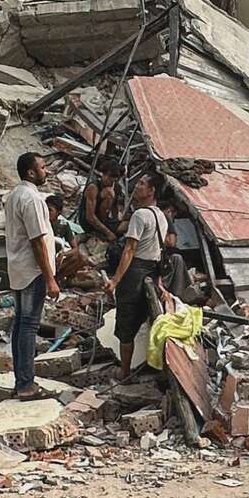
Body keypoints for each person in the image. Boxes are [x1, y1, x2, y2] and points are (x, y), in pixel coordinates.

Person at [2, 152, 59, 400]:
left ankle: (21, 381)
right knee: (28, 326)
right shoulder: (32, 199)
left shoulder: (15, 195)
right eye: (43, 167)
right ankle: (26, 385)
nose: (47, 171)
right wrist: (50, 278)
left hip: (19, 268)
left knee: (20, 325)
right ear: (31, 172)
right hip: (32, 270)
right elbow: (37, 241)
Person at [106, 171, 169, 381]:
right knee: (148, 318)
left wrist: (115, 280)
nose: (137, 186)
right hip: (152, 272)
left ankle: (124, 372)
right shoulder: (161, 216)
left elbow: (130, 249)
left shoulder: (140, 215)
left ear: (151, 190)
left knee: (126, 323)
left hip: (134, 272)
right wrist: (159, 282)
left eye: (142, 183)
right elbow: (159, 252)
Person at [79, 161, 123, 244]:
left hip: (104, 219)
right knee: (108, 195)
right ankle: (99, 231)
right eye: (105, 174)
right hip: (88, 221)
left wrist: (116, 222)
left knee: (124, 226)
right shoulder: (93, 187)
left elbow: (115, 209)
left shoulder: (116, 188)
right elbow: (90, 216)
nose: (106, 178)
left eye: (109, 176)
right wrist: (108, 232)